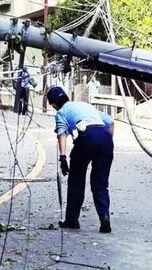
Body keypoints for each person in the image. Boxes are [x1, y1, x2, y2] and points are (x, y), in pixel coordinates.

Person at [47, 86, 114, 233]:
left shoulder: (61, 112)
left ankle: (72, 220)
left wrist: (63, 157)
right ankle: (104, 217)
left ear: (53, 104)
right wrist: (107, 140)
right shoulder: (83, 105)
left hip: (87, 138)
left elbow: (61, 133)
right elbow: (110, 121)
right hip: (105, 137)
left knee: (76, 180)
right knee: (100, 182)